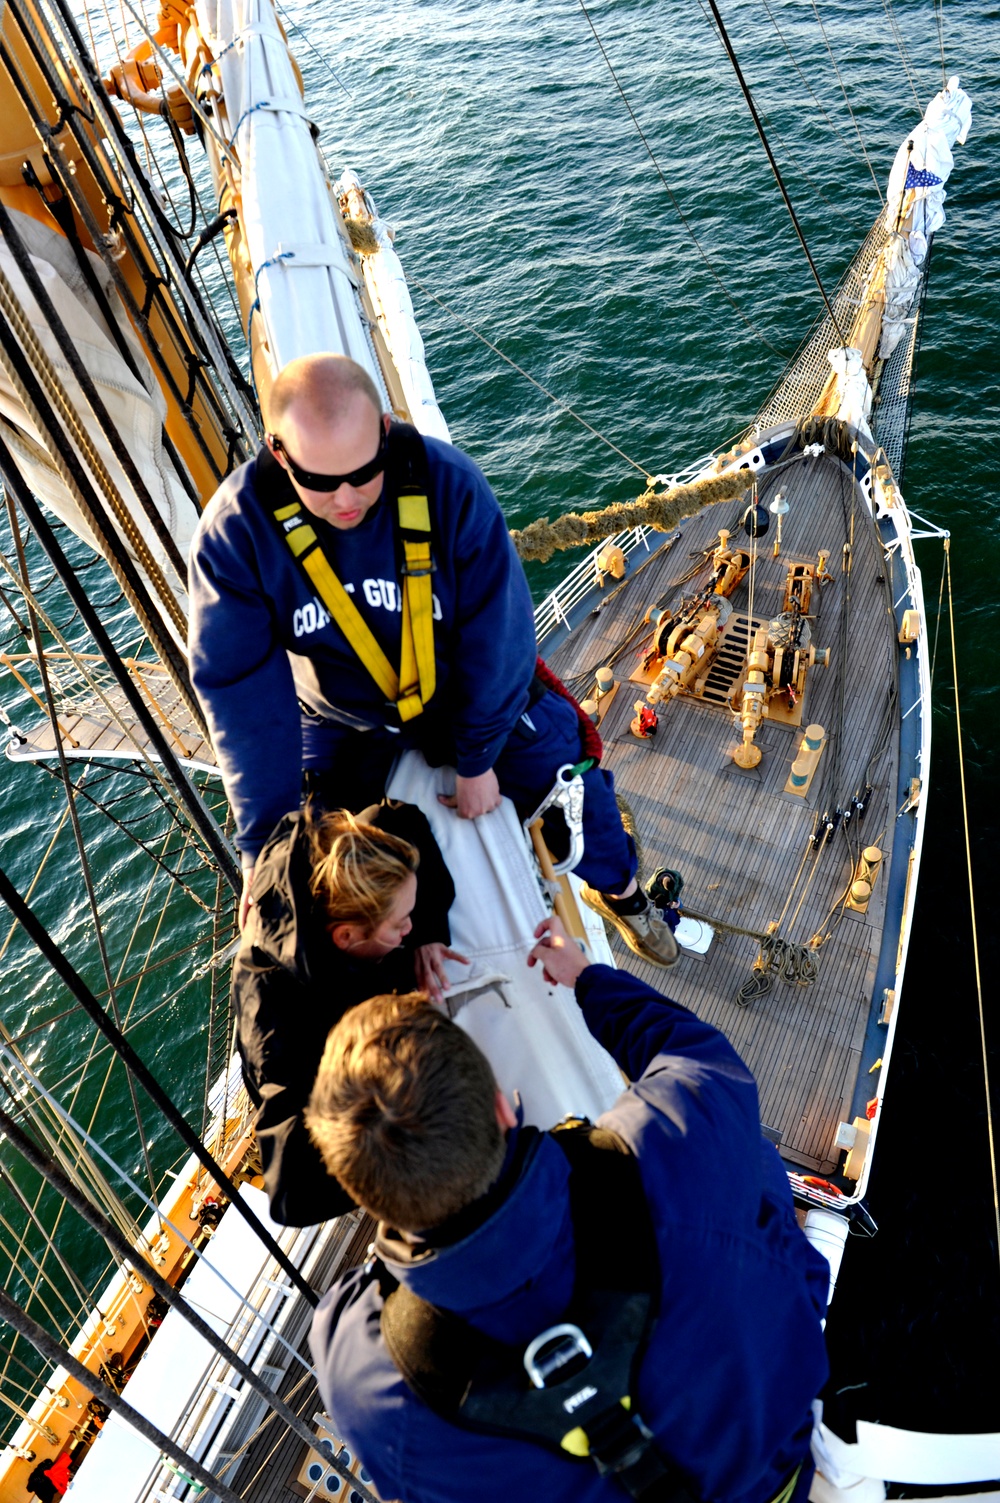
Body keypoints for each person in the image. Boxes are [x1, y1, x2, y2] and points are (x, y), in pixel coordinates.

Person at [306, 917, 830, 1503]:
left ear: (361, 1193)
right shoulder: (672, 1146)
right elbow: (695, 1057)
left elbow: (352, 1303)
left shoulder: (363, 1375)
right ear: (504, 1109)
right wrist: (587, 979)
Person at [188, 353, 676, 964]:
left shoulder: (448, 486)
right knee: (310, 879)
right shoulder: (236, 533)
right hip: (340, 719)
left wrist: (476, 762)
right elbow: (241, 694)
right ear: (279, 454)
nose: (345, 499)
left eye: (364, 472)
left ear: (386, 432)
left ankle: (626, 895)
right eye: (318, 481)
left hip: (463, 694)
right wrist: (265, 845)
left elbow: (498, 636)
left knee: (574, 789)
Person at [233, 800, 465, 1226]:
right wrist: (414, 1145)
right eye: (400, 924)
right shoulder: (279, 1034)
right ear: (346, 936)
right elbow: (293, 1196)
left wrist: (428, 932)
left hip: (351, 977)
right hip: (328, 1052)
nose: (408, 929)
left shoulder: (341, 857)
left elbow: (399, 818)